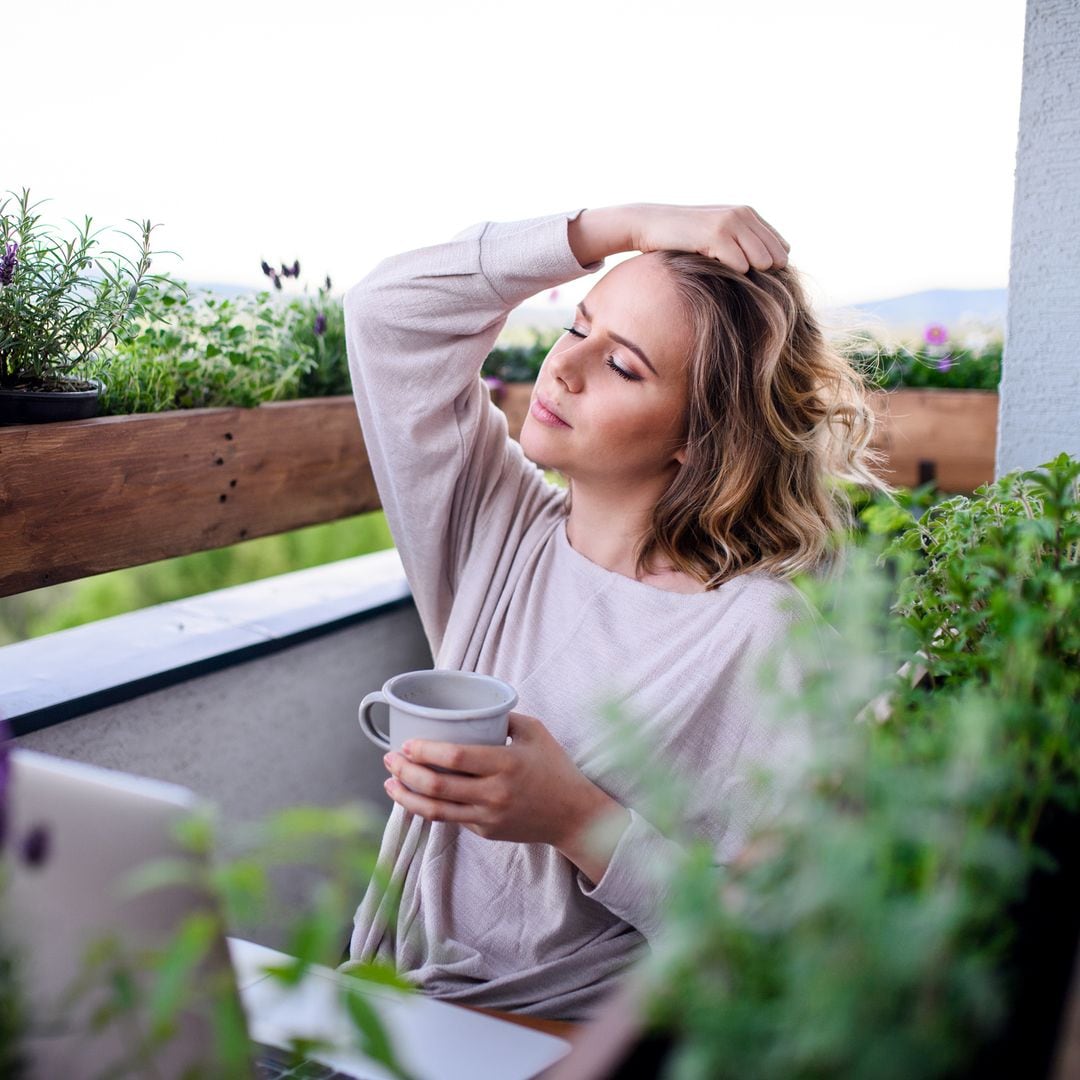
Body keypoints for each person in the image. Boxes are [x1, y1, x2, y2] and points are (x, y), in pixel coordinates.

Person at [340, 204, 883, 1021]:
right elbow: (388, 315)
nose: (563, 370)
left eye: (624, 366)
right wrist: (627, 226)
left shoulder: (764, 638)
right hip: (394, 1014)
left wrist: (577, 820)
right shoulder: (495, 530)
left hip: (574, 1042)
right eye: (577, 328)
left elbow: (775, 955)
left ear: (696, 438)